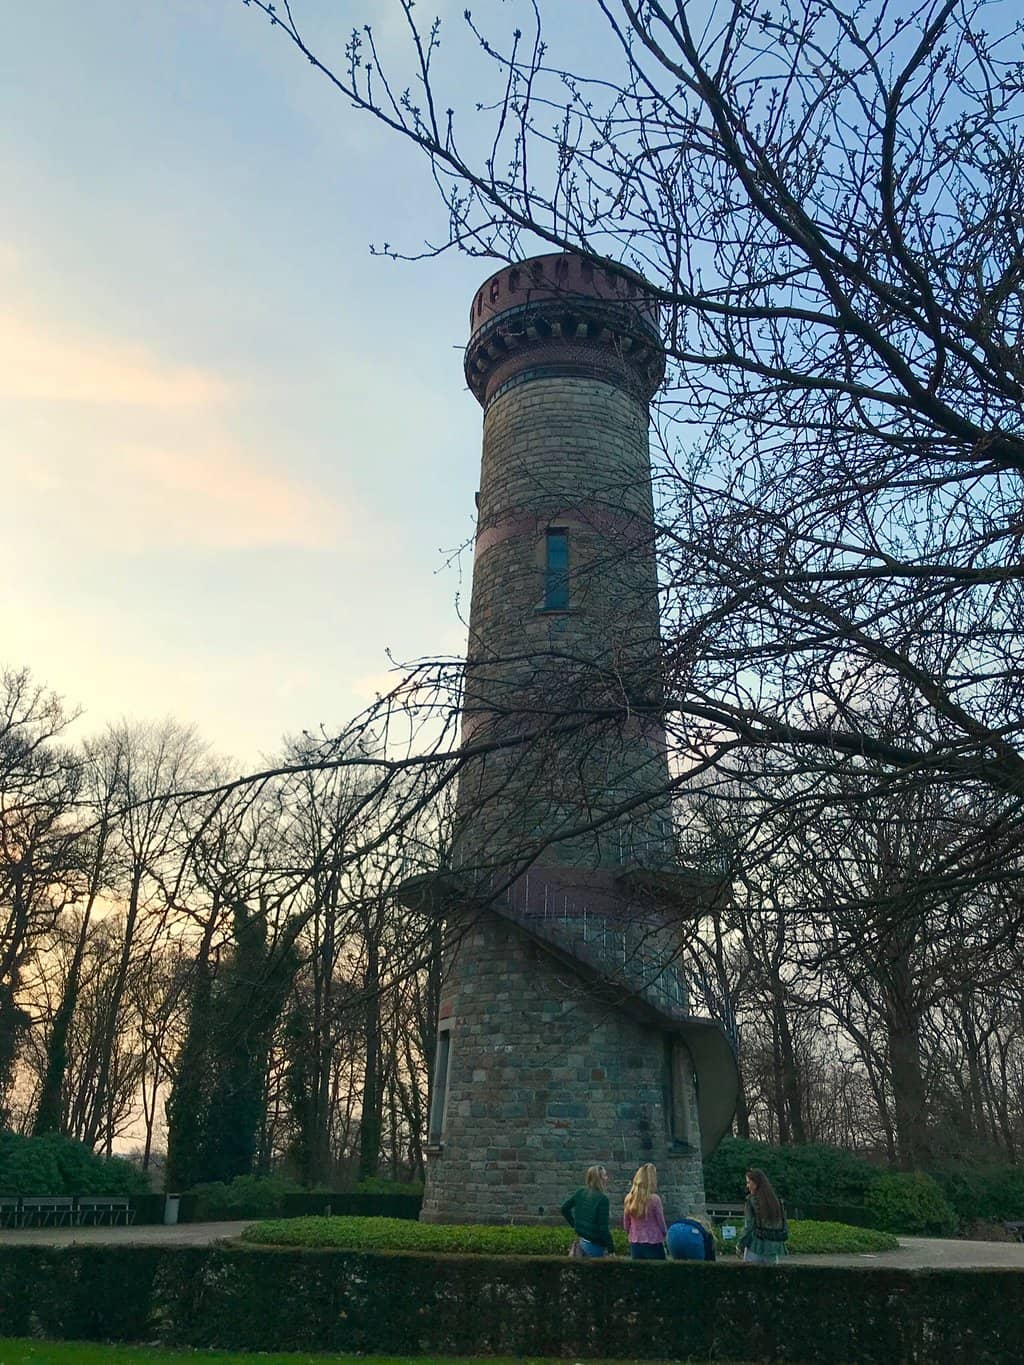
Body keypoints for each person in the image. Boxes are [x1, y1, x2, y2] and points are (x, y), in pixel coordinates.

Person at [561, 1164, 615, 1257]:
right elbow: (603, 1228)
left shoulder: (580, 1193)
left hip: (582, 1241)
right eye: (605, 1175)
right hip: (595, 1245)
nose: (607, 1178)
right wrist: (611, 1249)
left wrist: (575, 1225)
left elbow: (564, 1208)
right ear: (599, 1179)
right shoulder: (602, 1199)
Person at [737, 1168, 788, 1265]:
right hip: (774, 1248)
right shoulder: (777, 1202)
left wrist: (740, 1244)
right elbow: (784, 1226)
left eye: (748, 1182)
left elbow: (749, 1226)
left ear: (755, 1183)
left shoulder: (751, 1201)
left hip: (756, 1247)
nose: (747, 1186)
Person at [622, 1162, 668, 1260]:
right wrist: (665, 1234)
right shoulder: (655, 1199)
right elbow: (661, 1222)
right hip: (653, 1241)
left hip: (635, 1241)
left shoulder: (629, 1199)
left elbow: (626, 1224)